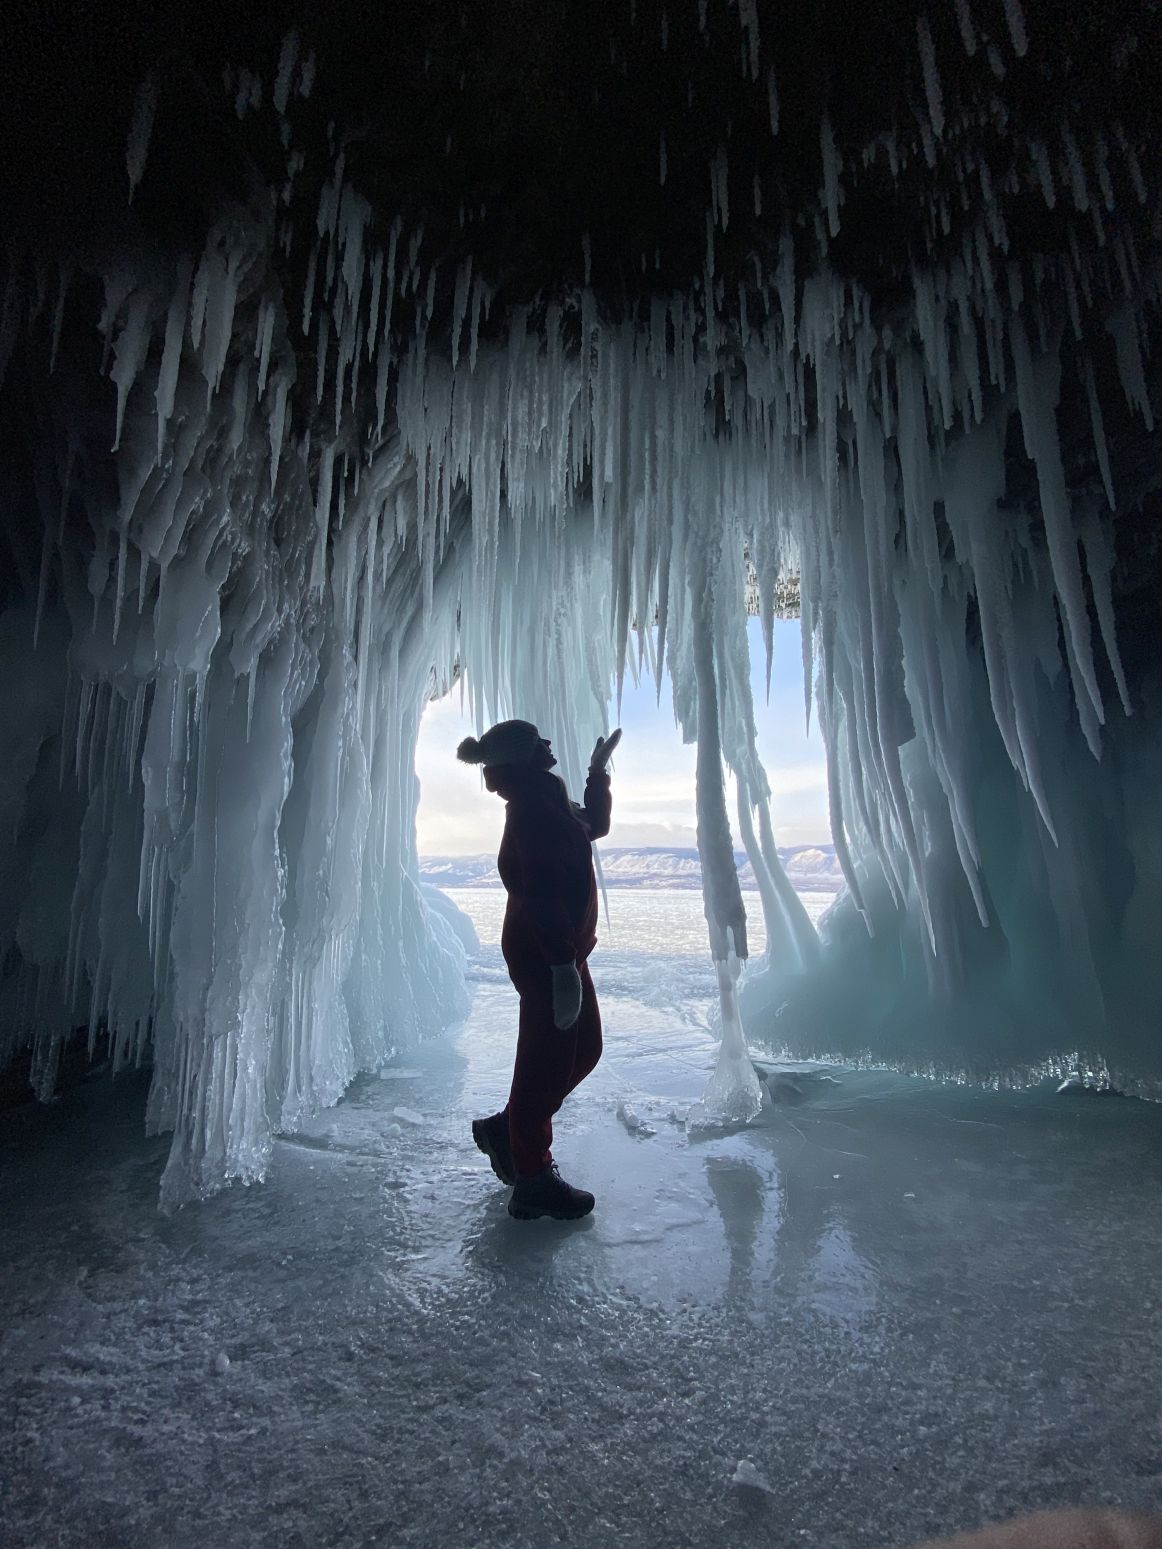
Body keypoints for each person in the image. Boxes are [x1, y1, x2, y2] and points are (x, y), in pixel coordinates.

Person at [456, 718, 621, 1220]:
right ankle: (531, 1178)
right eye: (538, 742)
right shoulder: (532, 811)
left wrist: (597, 774)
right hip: (548, 957)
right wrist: (560, 968)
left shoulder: (547, 798)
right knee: (542, 1068)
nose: (549, 744)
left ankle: (508, 1131)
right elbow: (542, 896)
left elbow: (593, 825)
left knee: (584, 1049)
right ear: (523, 757)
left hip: (563, 953)